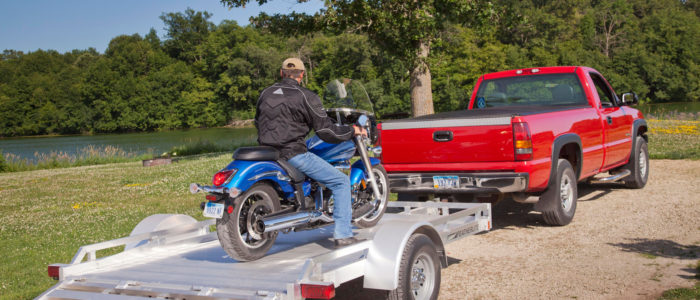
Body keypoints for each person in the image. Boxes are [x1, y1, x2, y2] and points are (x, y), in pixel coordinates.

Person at [255, 57, 366, 247]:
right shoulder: (306, 96)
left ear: (282, 73)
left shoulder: (266, 93)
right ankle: (343, 234)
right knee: (341, 182)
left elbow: (258, 121)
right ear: (302, 75)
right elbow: (326, 132)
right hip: (293, 154)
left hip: (267, 153)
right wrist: (352, 130)